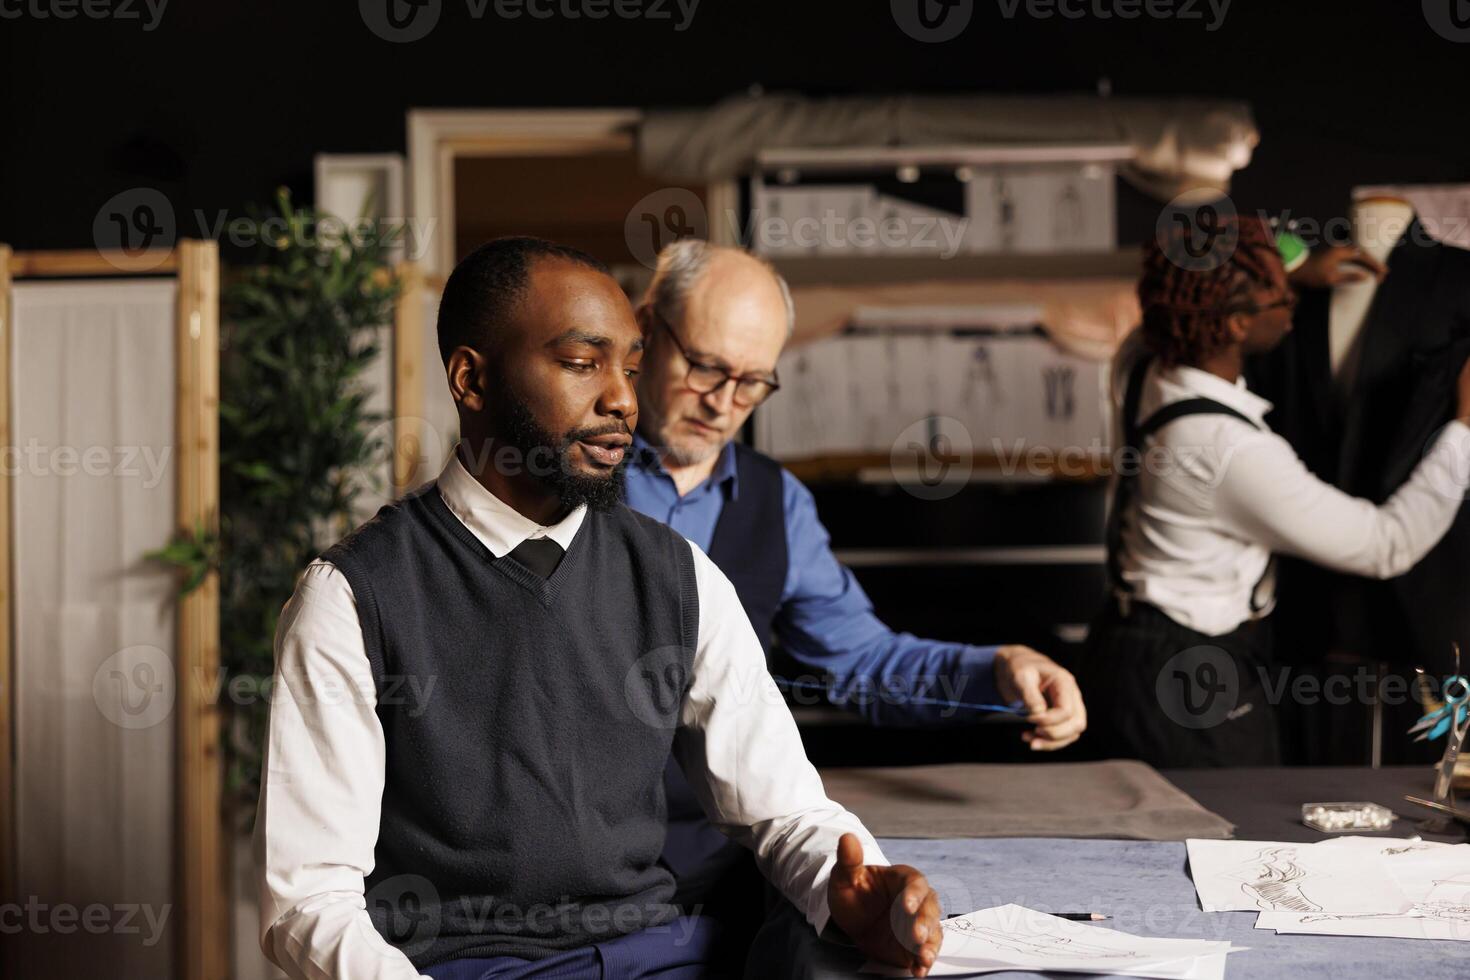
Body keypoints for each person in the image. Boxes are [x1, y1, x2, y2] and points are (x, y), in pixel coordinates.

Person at [254, 237, 945, 980]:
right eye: (583, 364)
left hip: (665, 962)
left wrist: (853, 888)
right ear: (471, 380)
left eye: (632, 368)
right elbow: (309, 900)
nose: (621, 398)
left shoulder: (681, 577)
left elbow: (786, 810)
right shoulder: (351, 596)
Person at [620, 240, 1086, 950]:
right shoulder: (564, 474)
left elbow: (863, 664)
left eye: (752, 382)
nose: (723, 403)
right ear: (647, 327)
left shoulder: (779, 504)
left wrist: (996, 672)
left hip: (722, 874)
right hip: (568, 877)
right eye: (706, 367)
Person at [1078, 213, 1470, 768]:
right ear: (1236, 324)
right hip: (1189, 671)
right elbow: (1385, 543)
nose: (1293, 305)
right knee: (1226, 836)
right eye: (1282, 299)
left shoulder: (1140, 358)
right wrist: (1464, 429)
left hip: (1120, 649)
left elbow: (1202, 252)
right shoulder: (1227, 448)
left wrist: (1295, 263)